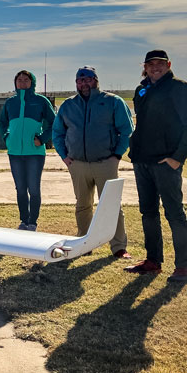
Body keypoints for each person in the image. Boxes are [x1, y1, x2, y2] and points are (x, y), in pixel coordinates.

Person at [124, 50, 187, 282]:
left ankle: (184, 267)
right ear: (145, 67)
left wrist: (178, 157)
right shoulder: (142, 89)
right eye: (151, 64)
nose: (155, 67)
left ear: (168, 65)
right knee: (148, 212)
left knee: (174, 213)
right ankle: (153, 260)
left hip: (166, 162)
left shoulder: (179, 88)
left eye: (160, 64)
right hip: (143, 161)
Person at [52, 66, 134, 258]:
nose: (84, 83)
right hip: (78, 164)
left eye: (88, 79)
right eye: (80, 80)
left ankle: (119, 246)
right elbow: (58, 133)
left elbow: (126, 130)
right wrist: (65, 156)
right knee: (82, 204)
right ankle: (84, 243)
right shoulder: (68, 105)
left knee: (112, 205)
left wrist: (117, 155)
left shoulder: (113, 102)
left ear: (96, 80)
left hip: (105, 162)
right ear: (76, 83)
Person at [0, 70, 56, 230]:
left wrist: (43, 139)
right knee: (21, 189)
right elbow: (2, 122)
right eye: (19, 80)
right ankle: (24, 221)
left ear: (32, 83)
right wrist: (7, 138)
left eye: (26, 80)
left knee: (34, 188)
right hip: (15, 152)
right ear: (15, 83)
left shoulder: (41, 101)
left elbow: (54, 123)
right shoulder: (11, 103)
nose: (22, 82)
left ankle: (33, 222)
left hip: (35, 153)